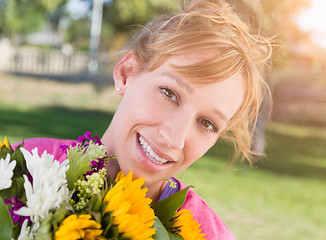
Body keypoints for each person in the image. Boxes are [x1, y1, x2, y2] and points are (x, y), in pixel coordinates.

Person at [13, 0, 272, 239]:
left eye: (207, 123)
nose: (174, 138)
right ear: (126, 74)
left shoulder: (206, 234)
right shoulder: (20, 171)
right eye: (169, 94)